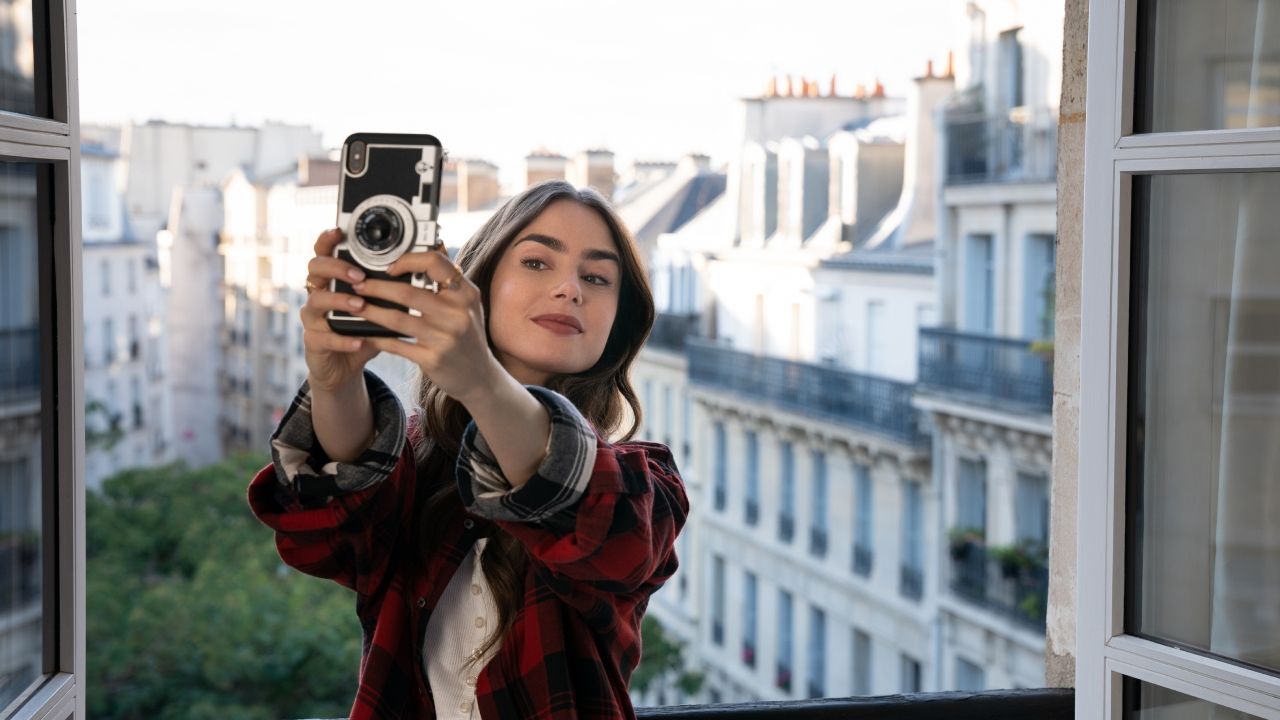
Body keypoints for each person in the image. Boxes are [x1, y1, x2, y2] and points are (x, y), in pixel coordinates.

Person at [247, 179, 689, 720]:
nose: (570, 288)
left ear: (618, 322)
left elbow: (606, 529)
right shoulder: (415, 460)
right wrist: (334, 380)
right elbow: (328, 527)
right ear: (481, 283)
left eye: (596, 277)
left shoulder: (646, 483)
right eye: (536, 262)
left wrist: (479, 377)